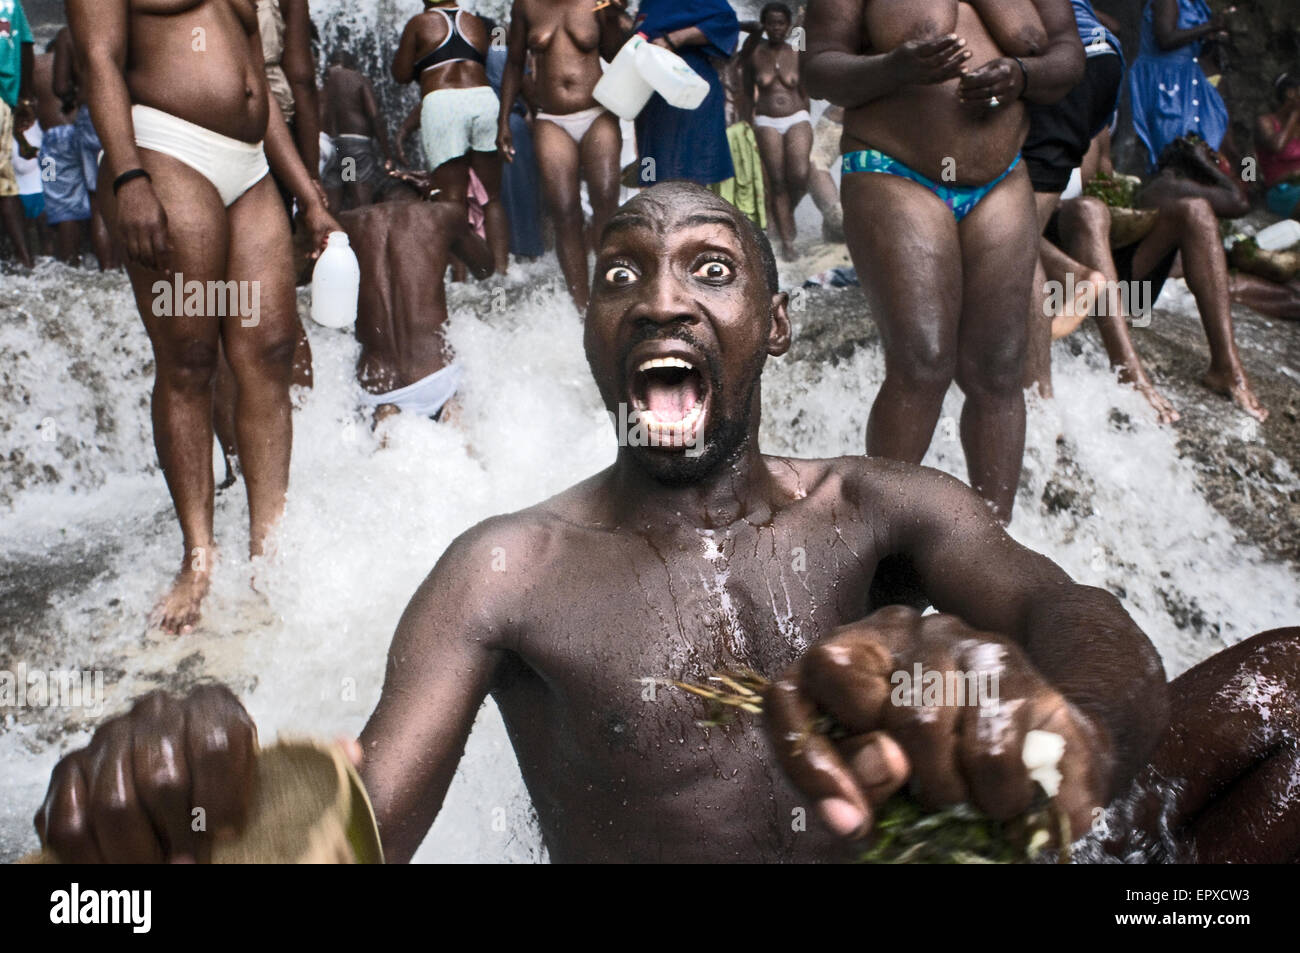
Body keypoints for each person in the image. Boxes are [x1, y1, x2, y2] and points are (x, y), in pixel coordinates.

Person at [30, 182, 1300, 864]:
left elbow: (1075, 613)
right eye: (623, 271)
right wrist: (180, 829)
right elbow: (360, 816)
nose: (659, 298)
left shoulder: (877, 507)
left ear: (775, 321)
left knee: (1281, 692)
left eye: (708, 266)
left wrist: (1062, 724)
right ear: (587, 327)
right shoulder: (506, 568)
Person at [66, 0, 343, 635]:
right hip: (166, 151)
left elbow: (258, 84)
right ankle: (198, 560)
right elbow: (99, 61)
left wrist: (309, 195)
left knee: (270, 352)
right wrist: (130, 176)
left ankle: (267, 556)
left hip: (248, 165)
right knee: (190, 361)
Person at [803, 0, 1085, 524]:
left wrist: (1022, 75)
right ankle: (873, 546)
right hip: (894, 169)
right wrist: (894, 68)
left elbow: (1070, 56)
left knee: (999, 370)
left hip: (1002, 179)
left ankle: (990, 545)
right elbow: (818, 69)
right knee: (923, 363)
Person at [342, 168, 493, 425]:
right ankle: (450, 410)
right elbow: (484, 268)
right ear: (421, 199)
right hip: (436, 378)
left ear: (375, 204)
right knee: (458, 423)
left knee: (385, 426)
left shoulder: (345, 223)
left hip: (377, 387)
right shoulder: (441, 214)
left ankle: (387, 414)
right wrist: (438, 198)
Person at [498, 0, 621, 309]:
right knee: (565, 211)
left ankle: (613, 296)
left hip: (597, 113)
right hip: (551, 119)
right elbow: (513, 63)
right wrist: (503, 122)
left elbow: (615, 54)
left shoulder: (596, 3)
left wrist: (615, 16)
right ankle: (583, 308)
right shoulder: (526, 6)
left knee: (605, 199)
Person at [392, 0, 508, 274]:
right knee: (492, 198)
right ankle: (502, 274)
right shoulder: (475, 22)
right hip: (483, 100)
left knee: (451, 200)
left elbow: (400, 74)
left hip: (443, 103)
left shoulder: (419, 24)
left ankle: (460, 279)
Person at [619, 0, 740, 190]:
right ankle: (654, 211)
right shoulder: (646, 3)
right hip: (651, 101)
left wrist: (675, 38)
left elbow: (726, 22)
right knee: (651, 174)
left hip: (686, 92)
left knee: (687, 178)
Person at [1128, 0, 1231, 173]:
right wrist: (1210, 26)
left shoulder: (1195, 4)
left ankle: (1248, 181)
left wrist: (1212, 35)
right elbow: (1165, 38)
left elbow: (1194, 45)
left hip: (1194, 81)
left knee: (1223, 140)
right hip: (1168, 82)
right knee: (1177, 148)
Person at [744, 3, 812, 261]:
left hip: (797, 117)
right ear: (764, 25)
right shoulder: (754, 54)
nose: (776, 28)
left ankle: (784, 213)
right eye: (771, 23)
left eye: (781, 23)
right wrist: (747, 124)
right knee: (778, 181)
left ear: (788, 25)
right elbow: (748, 93)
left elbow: (805, 92)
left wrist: (805, 116)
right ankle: (787, 240)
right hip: (766, 120)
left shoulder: (796, 52)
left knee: (800, 175)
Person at [51, 25, 118, 270]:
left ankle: (106, 268)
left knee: (97, 201)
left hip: (84, 121)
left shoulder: (68, 35)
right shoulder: (125, 25)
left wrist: (75, 95)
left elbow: (59, 87)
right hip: (130, 113)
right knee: (126, 190)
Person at [484, 23, 543, 261]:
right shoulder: (502, 52)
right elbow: (527, 89)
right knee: (520, 188)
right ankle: (526, 250)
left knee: (491, 194)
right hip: (511, 125)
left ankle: (499, 256)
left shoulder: (475, 56)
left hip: (485, 125)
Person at [708, 20, 768, 231]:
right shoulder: (705, 64)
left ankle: (749, 232)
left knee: (747, 188)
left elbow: (758, 28)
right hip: (714, 135)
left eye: (731, 39)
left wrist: (728, 21)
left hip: (740, 134)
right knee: (718, 190)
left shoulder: (741, 62)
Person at [320, 50, 393, 212]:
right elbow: (375, 116)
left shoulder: (324, 83)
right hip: (353, 148)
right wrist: (387, 153)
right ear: (352, 65)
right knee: (360, 205)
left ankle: (335, 234)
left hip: (331, 147)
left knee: (335, 208)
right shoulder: (357, 79)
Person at [0, 0, 34, 269]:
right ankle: (25, 261)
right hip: (3, 102)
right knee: (4, 185)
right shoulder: (11, 4)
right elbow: (25, 47)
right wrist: (24, 101)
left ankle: (23, 260)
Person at [1257, 73, 1300, 220]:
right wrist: (1294, 114)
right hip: (1281, 191)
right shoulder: (1265, 122)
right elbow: (1277, 146)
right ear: (1290, 93)